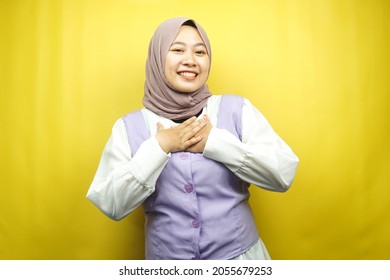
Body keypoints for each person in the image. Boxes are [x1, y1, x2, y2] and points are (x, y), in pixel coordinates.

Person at [86, 17, 299, 260]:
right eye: (177, 50)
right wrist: (159, 146)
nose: (190, 60)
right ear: (157, 57)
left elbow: (283, 174)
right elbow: (110, 203)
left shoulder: (236, 109)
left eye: (200, 52)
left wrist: (216, 142)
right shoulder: (129, 127)